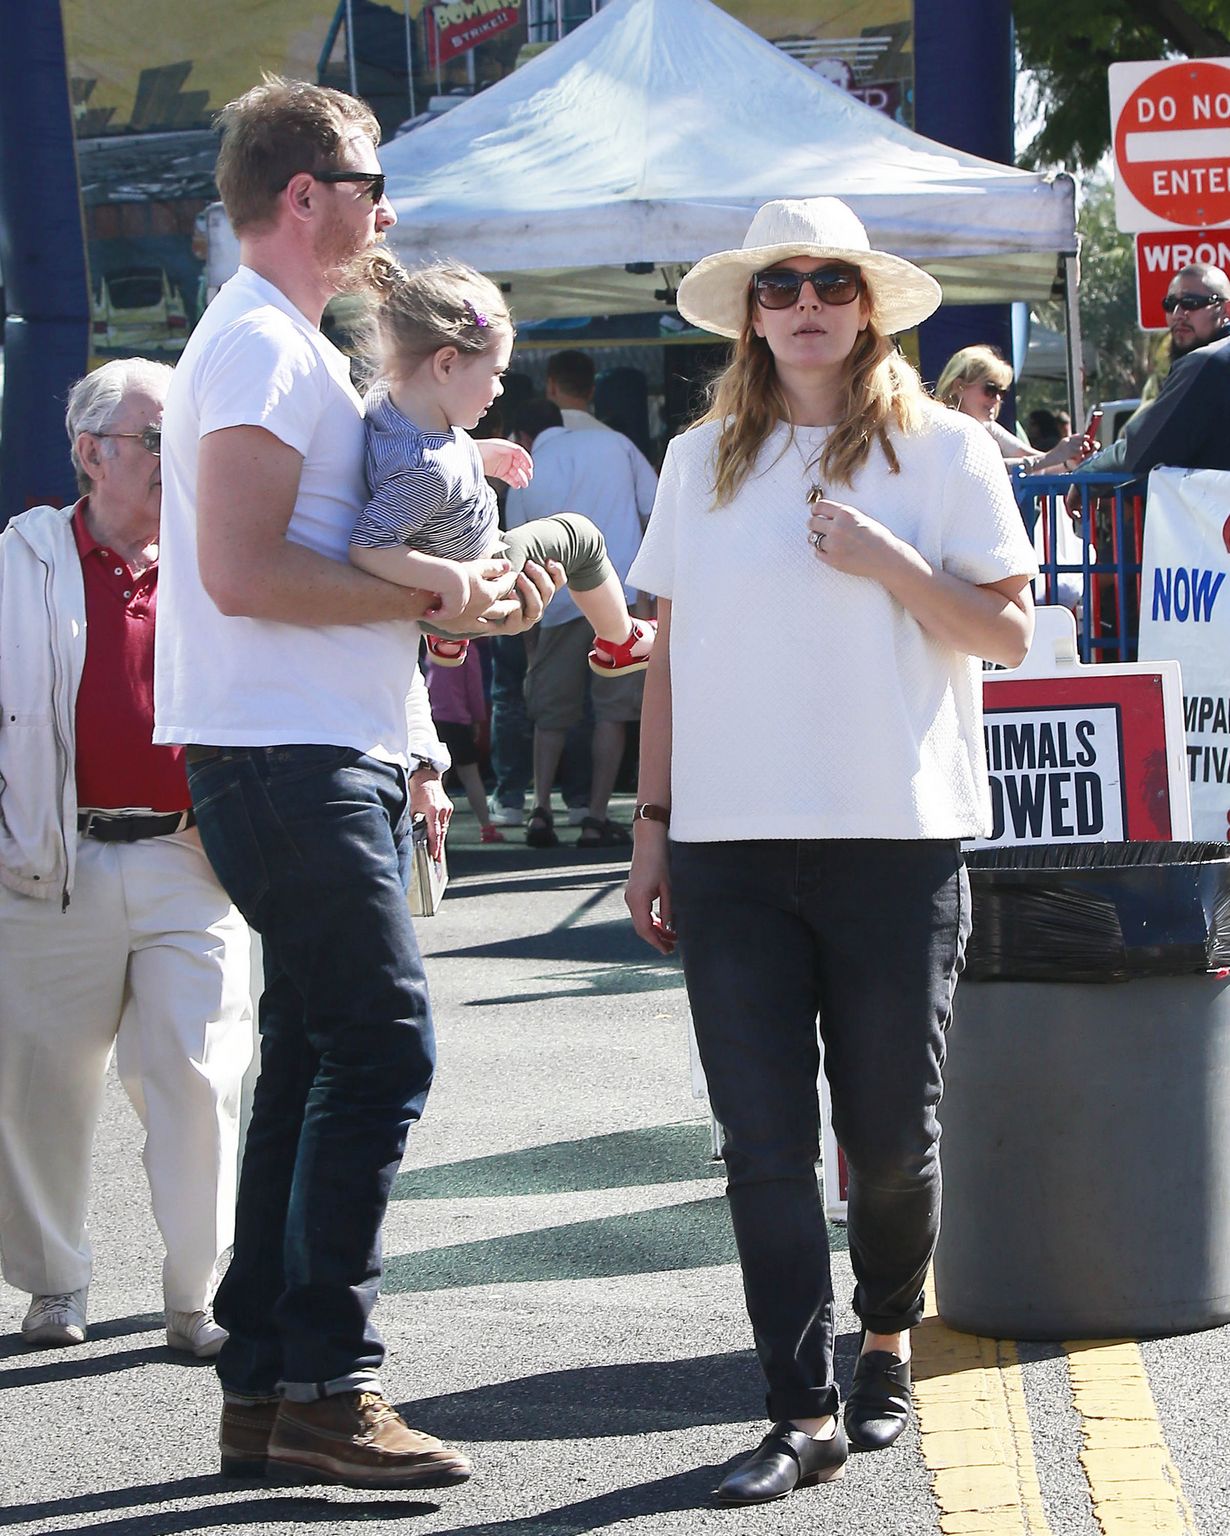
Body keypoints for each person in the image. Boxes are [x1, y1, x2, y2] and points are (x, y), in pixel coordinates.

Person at [154, 76, 562, 1491]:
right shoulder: (265, 349)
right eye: (369, 181)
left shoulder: (285, 346)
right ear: (305, 195)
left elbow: (310, 568)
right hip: (283, 750)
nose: (387, 209)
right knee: (382, 1047)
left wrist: (441, 605)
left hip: (307, 746)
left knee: (323, 1059)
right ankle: (329, 1384)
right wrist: (441, 596)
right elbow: (244, 572)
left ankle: (274, 1389)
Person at [624, 196, 1037, 1507]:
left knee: (891, 1140)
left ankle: (883, 1345)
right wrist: (650, 829)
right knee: (757, 1144)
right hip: (731, 850)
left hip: (893, 844)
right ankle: (796, 1407)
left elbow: (1005, 637)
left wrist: (885, 559)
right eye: (779, 282)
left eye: (830, 281)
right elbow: (668, 656)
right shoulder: (698, 461)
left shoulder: (945, 455)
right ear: (750, 314)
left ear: (866, 307)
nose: (805, 301)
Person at [0, 359, 252, 1357]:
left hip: (194, 856)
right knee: (40, 1085)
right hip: (50, 861)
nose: (171, 458)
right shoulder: (21, 559)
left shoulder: (217, 551)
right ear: (89, 452)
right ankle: (56, 1282)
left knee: (198, 1072)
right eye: (154, 438)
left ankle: (197, 1294)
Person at [348, 253, 655, 684]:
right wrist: (454, 580)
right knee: (580, 535)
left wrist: (472, 452)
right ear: (446, 363)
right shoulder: (431, 469)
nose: (500, 389)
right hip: (478, 585)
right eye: (496, 372)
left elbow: (409, 458)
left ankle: (446, 642)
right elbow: (369, 546)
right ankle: (619, 640)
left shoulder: (385, 401)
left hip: (447, 587)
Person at [508, 397, 658, 849]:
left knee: (550, 714)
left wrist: (528, 638)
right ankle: (596, 816)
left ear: (525, 436)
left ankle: (540, 811)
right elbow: (654, 511)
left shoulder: (525, 467)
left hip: (553, 602)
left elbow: (515, 554)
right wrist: (650, 593)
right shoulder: (615, 444)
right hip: (620, 600)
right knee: (614, 711)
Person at [1079, 263, 1230, 477]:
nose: (1178, 314)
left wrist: (1087, 475)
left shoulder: (1206, 363)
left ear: (1226, 309)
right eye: (1170, 304)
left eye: (1191, 303)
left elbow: (1143, 451)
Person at [935, 345, 1093, 472]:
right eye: (990, 390)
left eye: (1001, 392)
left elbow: (1032, 460)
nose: (997, 399)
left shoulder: (984, 425)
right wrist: (1055, 456)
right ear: (959, 386)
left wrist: (1070, 461)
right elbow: (986, 469)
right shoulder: (944, 426)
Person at [425, 643, 503, 842]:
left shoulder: (431, 646)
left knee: (437, 777)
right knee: (470, 775)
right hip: (458, 720)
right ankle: (486, 826)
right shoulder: (469, 650)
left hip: (433, 718)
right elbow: (474, 688)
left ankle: (430, 829)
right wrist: (478, 718)